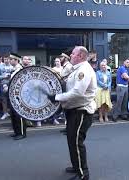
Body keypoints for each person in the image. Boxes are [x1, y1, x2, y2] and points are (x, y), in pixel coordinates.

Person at [47, 46, 96, 180]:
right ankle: (76, 166)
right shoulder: (76, 68)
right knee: (71, 141)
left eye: (73, 54)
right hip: (73, 110)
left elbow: (77, 92)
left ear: (80, 56)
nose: (70, 55)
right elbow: (64, 79)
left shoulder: (84, 70)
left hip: (81, 111)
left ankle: (83, 174)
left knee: (76, 142)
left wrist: (57, 97)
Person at [9, 53, 27, 140]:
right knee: (13, 115)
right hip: (13, 95)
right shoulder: (14, 69)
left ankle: (22, 133)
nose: (9, 60)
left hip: (18, 96)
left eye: (11, 59)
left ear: (16, 60)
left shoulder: (19, 69)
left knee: (18, 115)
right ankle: (16, 132)